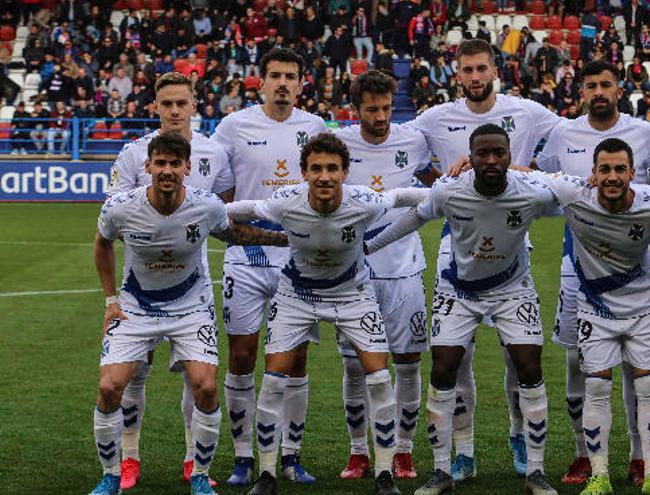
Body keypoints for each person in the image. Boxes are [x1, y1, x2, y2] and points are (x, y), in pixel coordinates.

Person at [225, 132, 426, 495]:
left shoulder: (364, 201)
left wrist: (464, 188)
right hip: (296, 293)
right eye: (316, 168)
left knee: (379, 379)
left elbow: (406, 198)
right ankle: (267, 475)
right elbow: (236, 211)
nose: (324, 176)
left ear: (345, 172)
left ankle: (384, 475)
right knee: (272, 382)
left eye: (333, 168)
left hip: (352, 292)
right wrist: (193, 207)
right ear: (303, 172)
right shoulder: (285, 202)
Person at [366, 124, 559, 495]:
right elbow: (416, 216)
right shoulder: (449, 190)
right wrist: (370, 247)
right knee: (444, 367)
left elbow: (576, 195)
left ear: (509, 157)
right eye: (482, 153)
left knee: (529, 366)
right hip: (458, 290)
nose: (490, 160)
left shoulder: (531, 192)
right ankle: (443, 470)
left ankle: (535, 471)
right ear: (469, 158)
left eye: (498, 153)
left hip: (512, 289)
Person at [89, 132, 287, 495]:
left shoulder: (206, 205)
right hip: (136, 306)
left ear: (187, 168)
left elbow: (236, 233)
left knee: (206, 387)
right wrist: (109, 300)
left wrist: (284, 239)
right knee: (108, 387)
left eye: (174, 164)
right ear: (148, 166)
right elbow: (102, 244)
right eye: (160, 163)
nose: (167, 171)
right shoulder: (121, 207)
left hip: (190, 307)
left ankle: (199, 473)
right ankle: (111, 475)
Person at [410, 38, 561, 480]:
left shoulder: (529, 112)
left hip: (513, 249)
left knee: (521, 359)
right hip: (456, 250)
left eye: (482, 68)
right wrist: (441, 182)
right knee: (456, 360)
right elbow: (402, 148)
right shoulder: (436, 118)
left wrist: (525, 172)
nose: (475, 77)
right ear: (456, 74)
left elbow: (573, 137)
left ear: (495, 69)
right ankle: (464, 450)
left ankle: (519, 435)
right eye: (467, 70)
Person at [535, 59, 650, 488]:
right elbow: (545, 178)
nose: (598, 91)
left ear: (619, 89)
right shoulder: (564, 133)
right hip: (574, 263)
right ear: (580, 91)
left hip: (632, 264)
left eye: (606, 84)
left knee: (639, 369)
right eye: (590, 85)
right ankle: (584, 454)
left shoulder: (646, 134)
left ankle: (640, 456)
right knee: (576, 362)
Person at [107, 71, 235, 490]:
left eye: (182, 103)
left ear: (195, 104)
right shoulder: (132, 154)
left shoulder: (214, 152)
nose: (175, 111)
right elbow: (115, 214)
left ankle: (190, 458)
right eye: (167, 104)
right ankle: (129, 459)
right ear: (155, 107)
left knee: (196, 377)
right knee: (132, 376)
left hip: (193, 284)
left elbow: (224, 210)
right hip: (138, 284)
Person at [210, 48, 328, 487]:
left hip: (298, 256)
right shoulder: (233, 126)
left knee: (294, 359)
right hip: (246, 255)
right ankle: (244, 456)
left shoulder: (314, 127)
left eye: (291, 76)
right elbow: (222, 196)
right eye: (275, 75)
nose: (283, 82)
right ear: (260, 81)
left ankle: (292, 455)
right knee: (241, 356)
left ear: (302, 83)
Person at [332, 70, 440, 480]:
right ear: (356, 109)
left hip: (405, 271)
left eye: (386, 108)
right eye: (371, 109)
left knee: (409, 363)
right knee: (356, 366)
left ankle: (403, 450)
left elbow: (435, 184)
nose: (380, 117)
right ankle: (359, 451)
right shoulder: (340, 143)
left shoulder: (412, 140)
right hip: (353, 272)